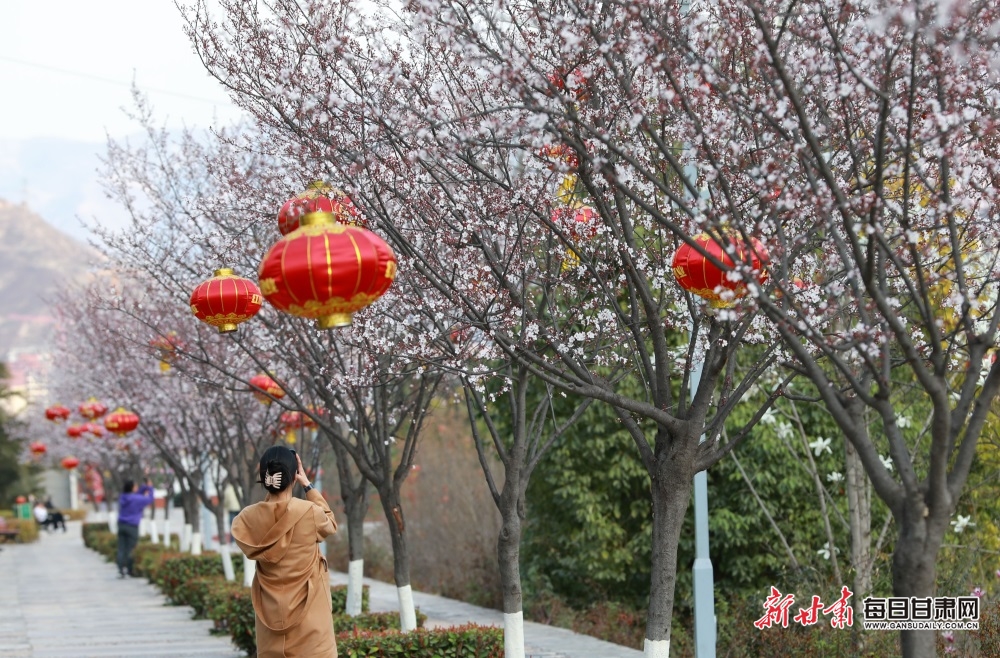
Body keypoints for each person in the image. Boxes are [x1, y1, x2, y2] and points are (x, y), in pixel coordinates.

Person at [232, 446, 338, 658]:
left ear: (264, 476)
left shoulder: (247, 518)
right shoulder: (309, 513)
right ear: (293, 476)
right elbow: (331, 523)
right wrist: (307, 485)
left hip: (270, 625)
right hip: (311, 628)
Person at [116, 479, 154, 578]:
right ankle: (130, 569)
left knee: (121, 548)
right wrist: (150, 487)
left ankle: (120, 569)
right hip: (132, 526)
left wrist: (144, 487)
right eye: (136, 486)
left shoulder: (123, 497)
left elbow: (138, 493)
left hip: (121, 524)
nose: (137, 488)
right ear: (132, 488)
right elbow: (149, 499)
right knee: (131, 549)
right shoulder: (137, 499)